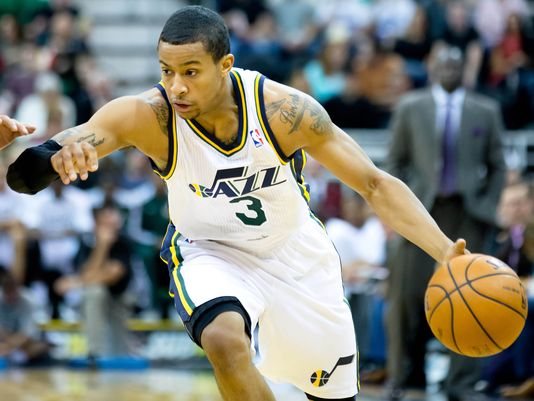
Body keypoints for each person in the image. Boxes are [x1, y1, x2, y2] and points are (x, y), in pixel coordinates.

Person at [7, 6, 466, 401]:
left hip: (294, 254)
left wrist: (445, 251)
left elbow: (375, 184)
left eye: (190, 72)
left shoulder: (284, 112)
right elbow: (27, 173)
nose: (176, 86)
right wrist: (53, 160)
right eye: (166, 71)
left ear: (225, 64)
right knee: (225, 340)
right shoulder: (148, 116)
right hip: (209, 251)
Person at [386, 45, 506, 401]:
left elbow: (498, 164)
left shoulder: (486, 110)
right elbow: (394, 163)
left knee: (472, 298)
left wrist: (487, 205)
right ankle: (405, 378)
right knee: (406, 298)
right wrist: (399, 209)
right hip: (421, 213)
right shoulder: (410, 107)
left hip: (469, 216)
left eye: (456, 64)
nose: (449, 70)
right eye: (443, 64)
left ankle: (461, 383)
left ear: (465, 69)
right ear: (431, 68)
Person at [55, 201, 132, 358]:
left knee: (114, 296)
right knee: (94, 292)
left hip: (121, 294)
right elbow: (86, 273)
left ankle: (122, 355)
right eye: (107, 222)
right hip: (95, 296)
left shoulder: (123, 241)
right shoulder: (86, 241)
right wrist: (101, 246)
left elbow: (113, 275)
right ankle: (94, 353)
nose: (112, 226)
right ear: (96, 223)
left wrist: (76, 282)